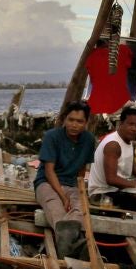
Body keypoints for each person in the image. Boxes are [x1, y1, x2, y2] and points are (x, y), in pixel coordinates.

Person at [35, 101, 96, 250]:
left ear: (86, 122)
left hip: (72, 184)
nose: (74, 125)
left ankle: (67, 244)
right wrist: (63, 196)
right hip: (47, 183)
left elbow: (82, 170)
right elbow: (49, 170)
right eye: (71, 120)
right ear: (64, 120)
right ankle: (72, 246)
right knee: (56, 209)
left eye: (79, 121)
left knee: (80, 210)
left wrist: (80, 192)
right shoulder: (52, 136)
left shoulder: (88, 140)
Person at [87, 106, 136, 211]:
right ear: (121, 124)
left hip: (117, 191)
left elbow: (135, 168)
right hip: (101, 194)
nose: (134, 128)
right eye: (130, 124)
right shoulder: (113, 144)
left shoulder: (128, 142)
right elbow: (111, 179)